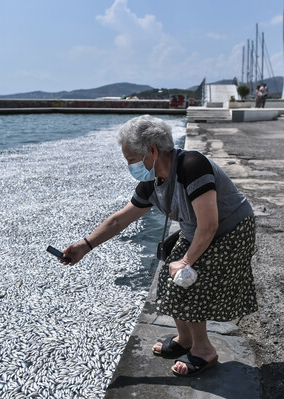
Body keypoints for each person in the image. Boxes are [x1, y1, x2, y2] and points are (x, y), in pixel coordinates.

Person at [62, 115, 257, 377]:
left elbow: (209, 225)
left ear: (152, 150)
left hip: (230, 231)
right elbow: (120, 220)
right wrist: (84, 246)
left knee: (188, 281)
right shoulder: (153, 182)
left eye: (132, 159)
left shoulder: (192, 165)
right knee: (168, 279)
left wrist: (186, 262)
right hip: (196, 231)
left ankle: (203, 351)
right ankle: (185, 340)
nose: (130, 166)